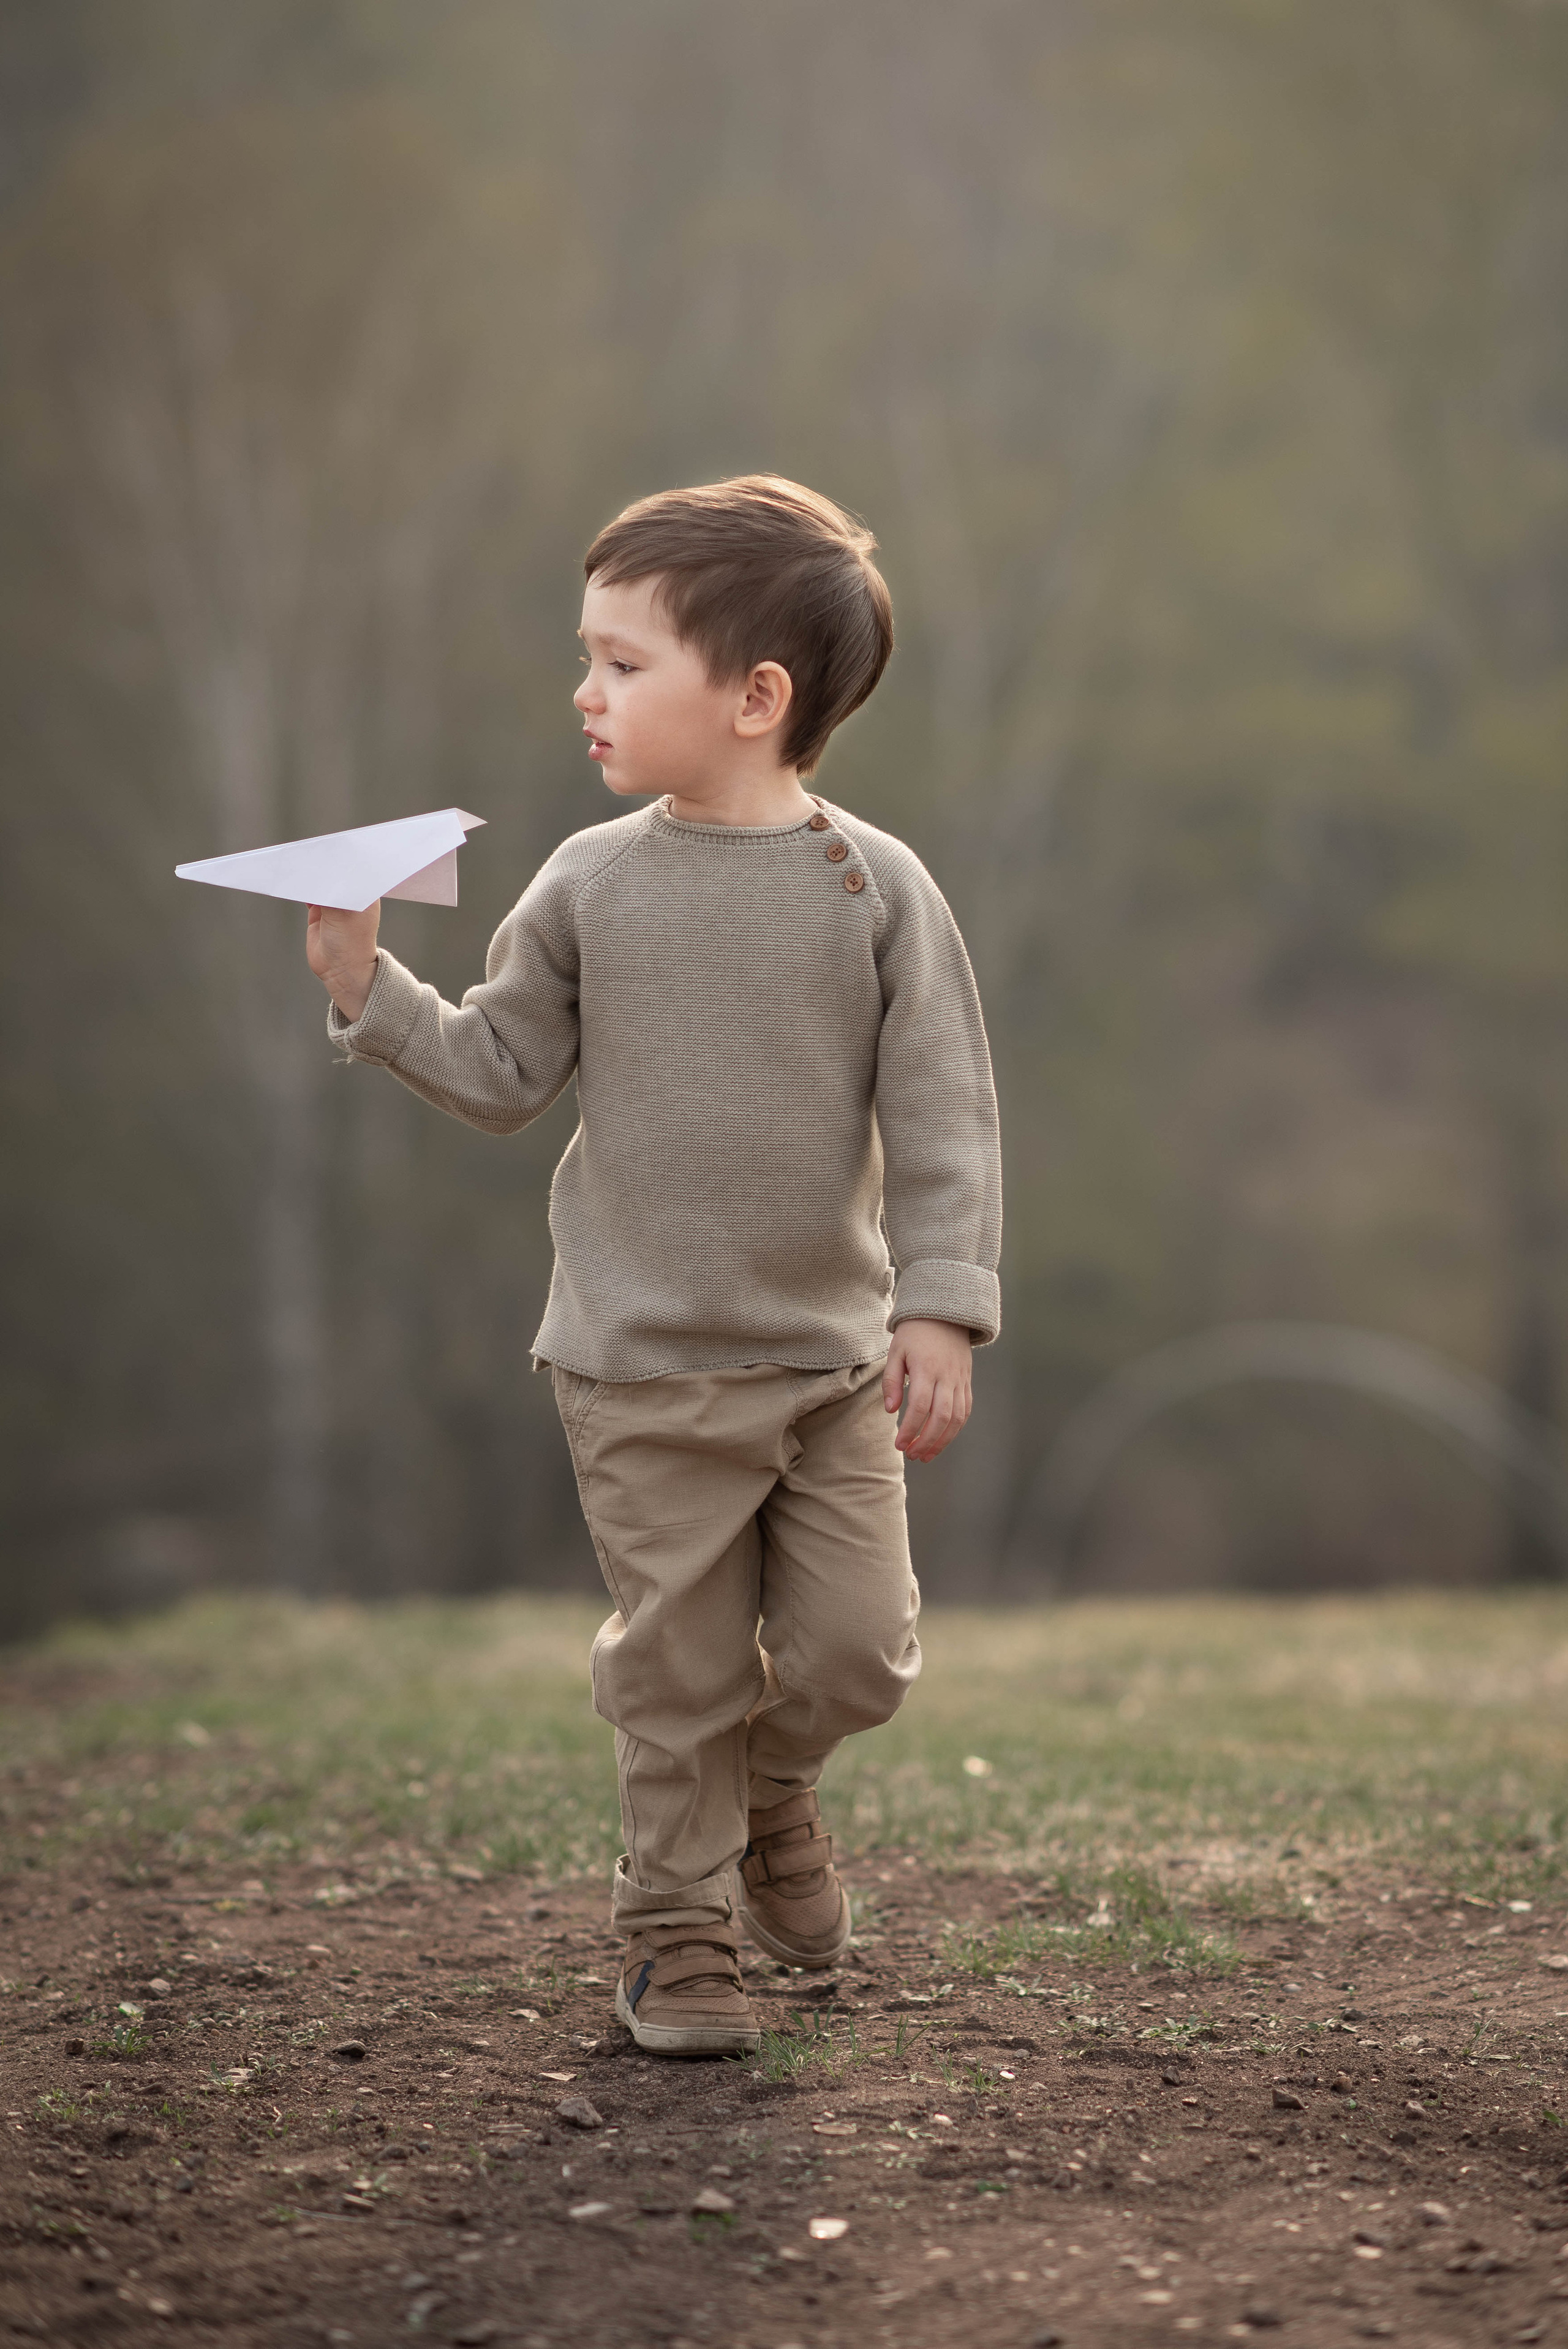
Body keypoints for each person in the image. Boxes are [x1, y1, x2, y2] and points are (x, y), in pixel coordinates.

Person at [306, 475, 1001, 2056]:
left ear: (758, 699)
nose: (586, 692)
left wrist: (944, 1305)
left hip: (828, 1363)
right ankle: (677, 1938)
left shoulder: (877, 889)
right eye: (587, 655)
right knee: (675, 1671)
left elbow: (946, 1110)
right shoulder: (588, 881)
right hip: (636, 1369)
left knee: (859, 1654)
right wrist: (365, 977)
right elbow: (496, 1071)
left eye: (624, 662)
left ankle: (774, 1793)